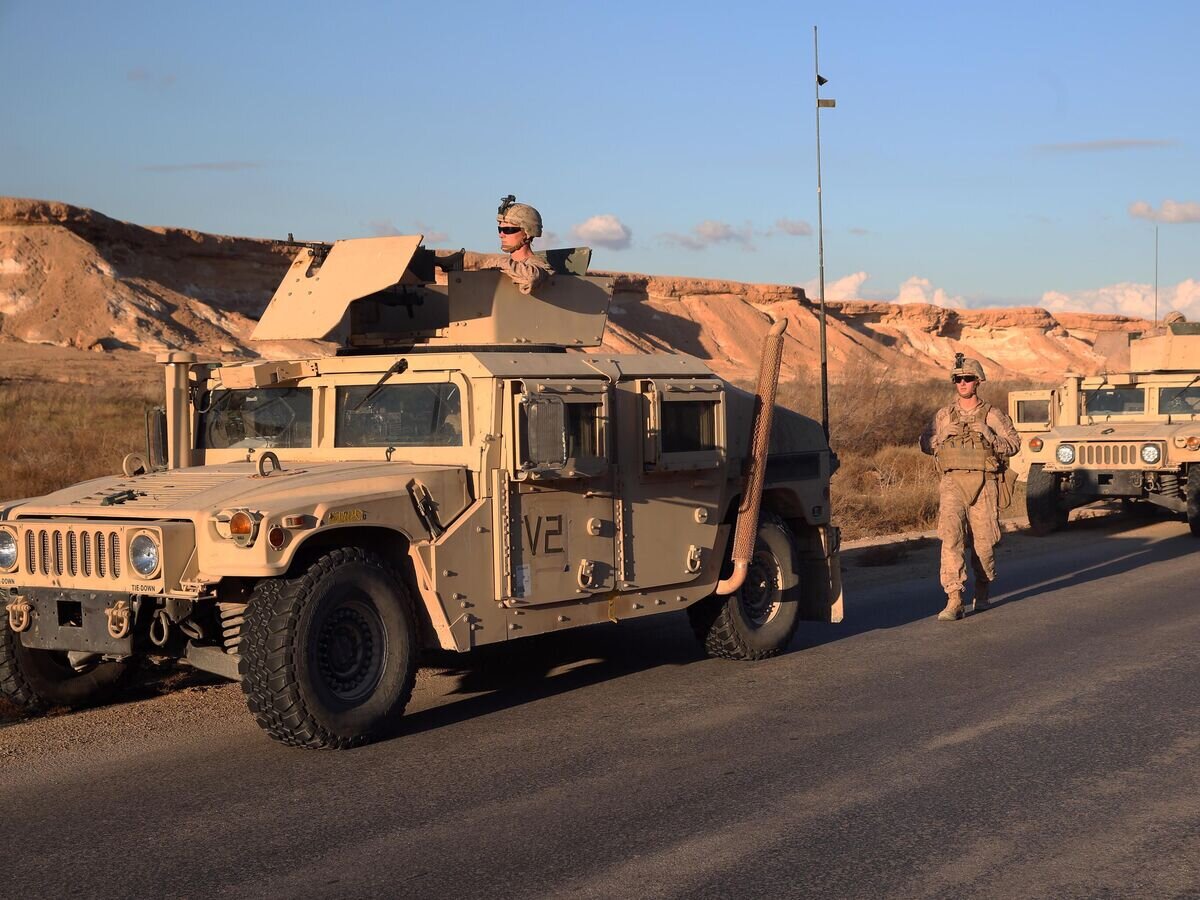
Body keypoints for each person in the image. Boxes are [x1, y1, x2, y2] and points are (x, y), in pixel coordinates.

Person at [919, 354, 1020, 621]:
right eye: (958, 379)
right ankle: (954, 598)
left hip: (984, 484)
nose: (962, 383)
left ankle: (983, 589)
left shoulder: (992, 414)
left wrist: (989, 434)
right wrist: (941, 436)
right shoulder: (943, 415)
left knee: (984, 543)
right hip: (952, 483)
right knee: (951, 538)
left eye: (967, 379)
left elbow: (1014, 443)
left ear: (978, 381)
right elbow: (924, 442)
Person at [434, 195, 553, 295]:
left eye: (509, 230)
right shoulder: (505, 266)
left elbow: (532, 278)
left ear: (527, 233)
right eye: (499, 229)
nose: (502, 235)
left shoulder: (538, 265)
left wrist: (499, 262)